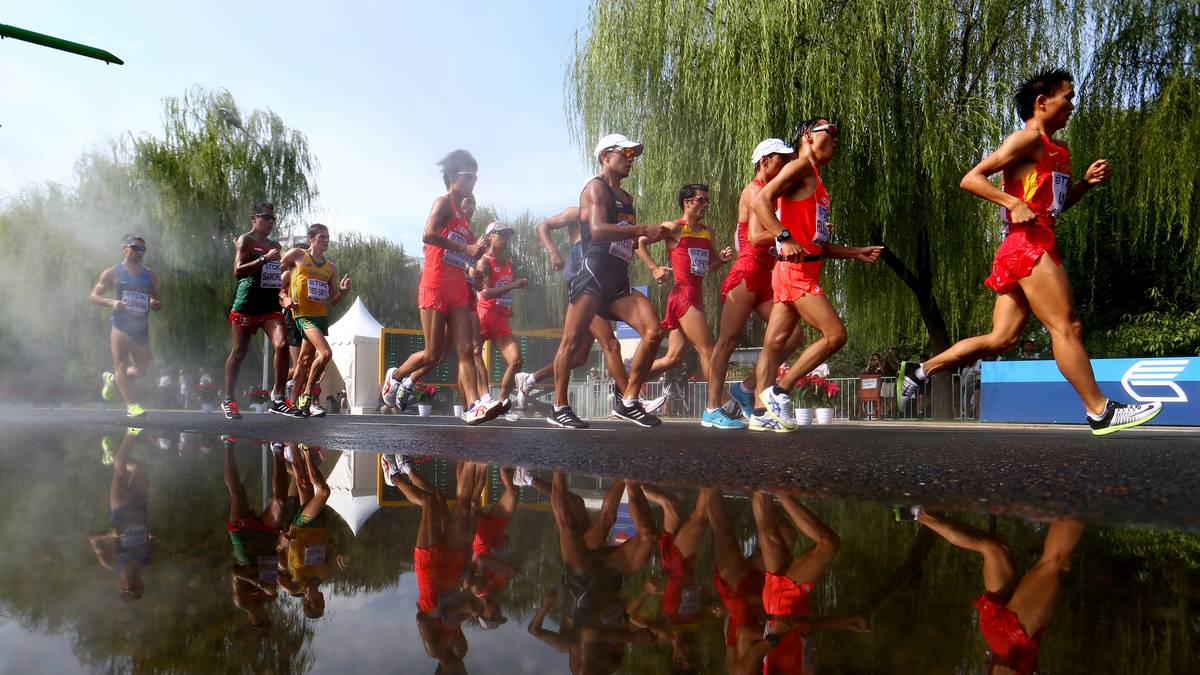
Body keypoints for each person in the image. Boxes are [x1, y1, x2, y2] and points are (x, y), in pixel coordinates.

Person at [896, 70, 1161, 435]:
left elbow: (1054, 207)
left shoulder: (1058, 149)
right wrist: (1011, 202)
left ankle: (921, 370)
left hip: (1025, 243)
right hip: (1028, 244)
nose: (1072, 105)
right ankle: (1099, 410)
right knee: (1066, 326)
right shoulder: (1027, 138)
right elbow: (971, 178)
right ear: (1042, 102)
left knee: (1001, 339)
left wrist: (1085, 184)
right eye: (1067, 97)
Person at [748, 119, 884, 432]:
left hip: (796, 268)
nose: (836, 140)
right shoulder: (800, 167)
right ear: (808, 137)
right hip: (795, 272)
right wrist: (783, 236)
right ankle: (780, 391)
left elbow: (815, 244)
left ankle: (760, 413)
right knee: (835, 335)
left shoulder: (815, 180)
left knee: (774, 343)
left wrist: (855, 252)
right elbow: (759, 201)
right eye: (830, 132)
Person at [546, 134, 672, 429]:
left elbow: (628, 236)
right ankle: (559, 406)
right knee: (571, 344)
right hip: (592, 275)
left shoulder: (627, 198)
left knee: (653, 331)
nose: (631, 159)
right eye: (625, 153)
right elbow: (598, 231)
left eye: (633, 155)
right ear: (605, 156)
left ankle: (628, 401)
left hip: (617, 280)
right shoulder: (595, 188)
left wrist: (655, 237)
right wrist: (641, 229)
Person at [381, 150, 503, 424]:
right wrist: (465, 247)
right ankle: (396, 376)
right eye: (468, 176)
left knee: (466, 349)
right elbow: (428, 234)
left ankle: (473, 406)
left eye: (475, 177)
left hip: (457, 289)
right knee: (433, 353)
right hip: (435, 285)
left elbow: (468, 258)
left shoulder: (466, 224)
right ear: (452, 177)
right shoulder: (443, 203)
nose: (473, 181)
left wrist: (476, 265)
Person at [514, 205, 664, 415]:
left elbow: (632, 242)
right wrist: (553, 252)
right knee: (611, 344)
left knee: (579, 357)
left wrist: (653, 265)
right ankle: (630, 400)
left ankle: (530, 379)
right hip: (584, 285)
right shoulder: (577, 213)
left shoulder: (611, 219)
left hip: (603, 286)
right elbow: (542, 226)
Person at [705, 139, 809, 429]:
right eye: (781, 159)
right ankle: (712, 408)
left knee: (792, 336)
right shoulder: (754, 191)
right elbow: (754, 237)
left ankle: (746, 387)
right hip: (747, 272)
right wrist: (791, 234)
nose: (787, 164)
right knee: (727, 341)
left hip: (767, 274)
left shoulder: (774, 195)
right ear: (765, 161)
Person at [912, 509, 1084, 674]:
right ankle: (918, 512)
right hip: (997, 635)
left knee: (1055, 562)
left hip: (1015, 638)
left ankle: (1078, 501)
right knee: (993, 547)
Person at [633, 184, 736, 429]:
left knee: (672, 358)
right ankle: (719, 405)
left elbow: (708, 268)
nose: (706, 205)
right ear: (687, 202)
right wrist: (654, 268)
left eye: (707, 201)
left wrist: (721, 260)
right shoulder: (674, 227)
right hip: (683, 295)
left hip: (696, 294)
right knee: (708, 349)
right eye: (702, 200)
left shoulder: (707, 232)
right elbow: (639, 243)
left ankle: (626, 383)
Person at [222, 203, 300, 419]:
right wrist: (264, 259)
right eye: (265, 217)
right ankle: (228, 399)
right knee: (239, 352)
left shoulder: (275, 245)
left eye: (273, 218)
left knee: (282, 345)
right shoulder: (245, 240)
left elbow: (274, 276)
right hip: (247, 305)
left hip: (269, 306)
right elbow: (238, 271)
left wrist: (283, 294)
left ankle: (278, 399)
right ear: (253, 219)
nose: (270, 221)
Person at [279, 223, 351, 417]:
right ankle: (307, 395)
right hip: (303, 315)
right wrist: (284, 297)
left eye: (327, 237)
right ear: (311, 238)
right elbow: (275, 276)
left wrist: (342, 291)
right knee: (326, 353)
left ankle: (291, 403)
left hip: (320, 317)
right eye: (322, 237)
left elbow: (333, 300)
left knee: (304, 362)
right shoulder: (298, 255)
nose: (326, 241)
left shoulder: (331, 268)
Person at [89, 234, 161, 418]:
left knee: (142, 370)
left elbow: (154, 297)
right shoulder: (112, 272)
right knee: (121, 363)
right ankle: (131, 405)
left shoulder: (150, 274)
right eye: (135, 248)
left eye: (143, 249)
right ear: (125, 249)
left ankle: (112, 378)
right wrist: (111, 302)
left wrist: (154, 303)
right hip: (120, 325)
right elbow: (94, 296)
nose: (139, 252)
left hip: (141, 327)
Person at [276, 444, 347, 619]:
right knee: (303, 482)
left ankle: (304, 450)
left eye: (318, 604)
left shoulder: (294, 586)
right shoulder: (326, 573)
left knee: (323, 492)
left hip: (301, 527)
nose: (322, 600)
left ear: (308, 602)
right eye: (323, 604)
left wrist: (281, 546)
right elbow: (330, 545)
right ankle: (296, 446)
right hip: (320, 525)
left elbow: (270, 567)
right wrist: (338, 554)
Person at [89, 428, 156, 600]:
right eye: (138, 588)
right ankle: (112, 457)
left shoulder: (111, 563)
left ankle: (132, 430)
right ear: (142, 585)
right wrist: (153, 536)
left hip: (120, 509)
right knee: (141, 468)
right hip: (140, 506)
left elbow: (93, 539)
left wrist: (110, 534)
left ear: (122, 585)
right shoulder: (148, 561)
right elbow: (153, 538)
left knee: (120, 467)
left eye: (130, 589)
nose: (134, 585)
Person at [475, 222, 527, 408]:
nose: (505, 239)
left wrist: (507, 305)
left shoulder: (507, 264)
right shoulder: (484, 262)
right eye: (501, 235)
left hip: (500, 317)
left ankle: (502, 402)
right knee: (474, 354)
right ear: (490, 236)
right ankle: (483, 399)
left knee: (516, 361)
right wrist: (514, 285)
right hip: (483, 313)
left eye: (507, 236)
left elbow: (501, 291)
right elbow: (486, 293)